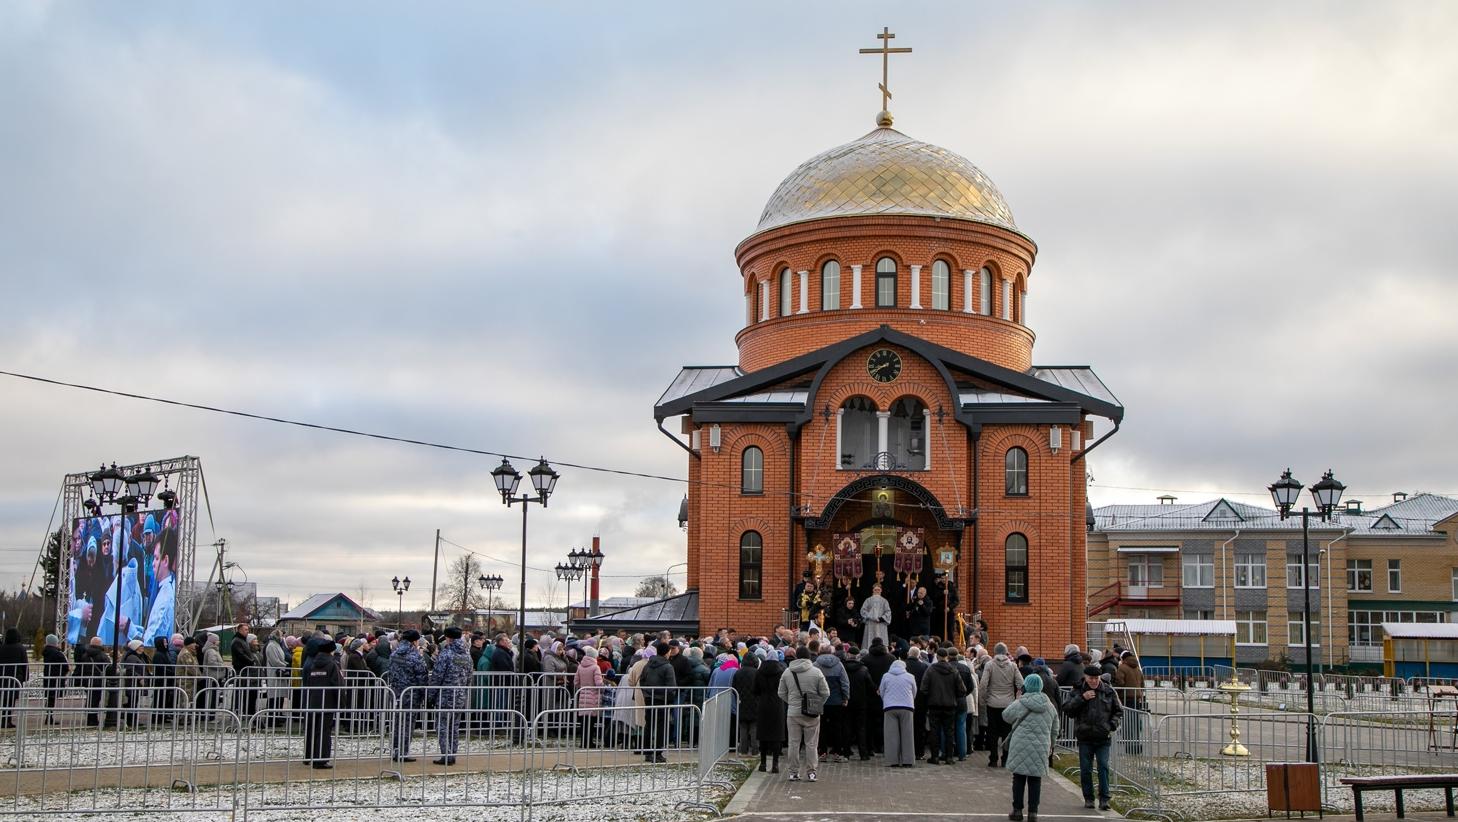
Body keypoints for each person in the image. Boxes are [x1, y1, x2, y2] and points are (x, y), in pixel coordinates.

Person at [1062, 665, 1123, 811]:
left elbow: (1118, 711)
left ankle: (1104, 799)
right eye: (1091, 678)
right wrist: (1082, 698)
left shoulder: (1108, 691)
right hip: (1085, 736)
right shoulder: (1077, 690)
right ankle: (1089, 798)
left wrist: (1111, 725)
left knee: (1103, 766)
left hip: (1103, 736)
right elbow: (1067, 709)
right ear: (1085, 677)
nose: (1094, 681)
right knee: (1085, 769)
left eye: (1097, 678)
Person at [1004, 673, 1058, 822]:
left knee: (1019, 778)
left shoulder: (1021, 702)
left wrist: (1017, 698)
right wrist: (1051, 744)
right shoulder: (1049, 706)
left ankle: (1017, 810)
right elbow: (1055, 728)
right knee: (1035, 779)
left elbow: (1006, 716)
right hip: (1041, 746)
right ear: (1041, 686)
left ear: (1026, 686)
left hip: (1020, 745)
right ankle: (1033, 812)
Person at [777, 646, 829, 783]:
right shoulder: (816, 672)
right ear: (809, 657)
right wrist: (817, 704)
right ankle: (812, 772)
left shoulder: (787, 672)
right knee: (811, 744)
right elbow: (826, 692)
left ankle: (793, 772)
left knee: (793, 743)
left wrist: (792, 702)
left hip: (793, 713)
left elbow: (781, 693)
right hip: (812, 714)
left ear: (796, 656)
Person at [428, 626, 472, 765]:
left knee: (442, 726)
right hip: (460, 696)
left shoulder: (446, 654)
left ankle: (446, 755)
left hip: (446, 695)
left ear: (448, 638)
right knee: (454, 726)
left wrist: (430, 696)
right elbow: (470, 677)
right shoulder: (466, 655)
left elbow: (437, 677)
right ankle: (452, 753)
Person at [920, 646, 967, 765]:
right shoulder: (953, 671)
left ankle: (935, 757)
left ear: (937, 656)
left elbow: (923, 689)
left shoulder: (930, 670)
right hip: (950, 705)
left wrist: (931, 696)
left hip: (934, 705)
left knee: (934, 731)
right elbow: (962, 690)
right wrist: (953, 695)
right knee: (949, 732)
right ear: (947, 657)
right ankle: (949, 757)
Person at [302, 639, 344, 769]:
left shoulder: (313, 664)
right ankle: (321, 759)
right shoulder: (332, 665)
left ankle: (310, 756)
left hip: (313, 701)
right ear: (331, 651)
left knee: (313, 730)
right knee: (324, 731)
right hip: (328, 702)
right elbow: (338, 684)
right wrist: (342, 703)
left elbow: (308, 682)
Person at [387, 629, 427, 762]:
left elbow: (391, 672)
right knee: (407, 724)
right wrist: (424, 694)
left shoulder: (394, 654)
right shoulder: (415, 657)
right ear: (415, 641)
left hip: (396, 692)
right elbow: (422, 678)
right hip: (411, 695)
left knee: (397, 723)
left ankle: (396, 750)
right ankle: (403, 752)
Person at [980, 642, 1022, 768]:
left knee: (992, 732)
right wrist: (1017, 699)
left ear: (994, 652)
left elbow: (983, 684)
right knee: (1007, 732)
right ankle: (1005, 758)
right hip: (1008, 704)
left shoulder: (989, 665)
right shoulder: (1013, 666)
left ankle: (993, 759)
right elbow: (1021, 684)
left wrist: (983, 700)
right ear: (1006, 652)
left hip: (992, 704)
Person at [639, 641, 676, 762]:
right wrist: (669, 698)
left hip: (650, 698)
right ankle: (658, 753)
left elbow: (642, 681)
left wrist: (647, 693)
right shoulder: (667, 666)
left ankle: (648, 753)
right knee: (661, 726)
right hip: (662, 700)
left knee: (649, 725)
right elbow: (671, 686)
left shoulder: (648, 664)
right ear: (667, 652)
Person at [878, 657, 918, 768]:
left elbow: (882, 691)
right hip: (907, 707)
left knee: (891, 735)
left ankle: (892, 761)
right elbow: (914, 691)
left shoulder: (886, 676)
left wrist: (886, 700)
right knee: (908, 734)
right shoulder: (910, 676)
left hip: (890, 707)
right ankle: (908, 760)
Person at [813, 643, 849, 762]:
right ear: (831, 652)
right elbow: (844, 683)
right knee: (837, 727)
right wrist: (845, 697)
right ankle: (837, 753)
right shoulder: (839, 665)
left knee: (821, 727)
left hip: (820, 701)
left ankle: (822, 752)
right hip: (836, 701)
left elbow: (812, 683)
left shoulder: (816, 665)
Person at [753, 650, 787, 773]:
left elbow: (755, 690)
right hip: (777, 704)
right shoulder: (781, 672)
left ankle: (762, 763)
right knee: (776, 734)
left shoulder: (759, 672)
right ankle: (775, 764)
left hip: (763, 703)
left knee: (763, 733)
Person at [1113, 651, 1145, 753]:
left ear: (1123, 659)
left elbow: (1120, 683)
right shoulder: (1137, 668)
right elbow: (1142, 684)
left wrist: (1116, 693)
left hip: (1126, 698)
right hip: (1137, 697)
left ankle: (1130, 746)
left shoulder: (1122, 668)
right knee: (1135, 722)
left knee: (1128, 722)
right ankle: (1136, 744)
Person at [575, 645, 606, 747]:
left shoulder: (580, 666)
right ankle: (589, 742)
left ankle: (583, 742)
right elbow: (598, 683)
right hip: (593, 696)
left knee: (583, 721)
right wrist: (603, 687)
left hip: (583, 695)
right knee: (591, 721)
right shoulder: (595, 667)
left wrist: (583, 687)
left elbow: (576, 682)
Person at [731, 653, 760, 756]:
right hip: (755, 703)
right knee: (754, 727)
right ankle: (755, 750)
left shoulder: (738, 673)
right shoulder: (757, 673)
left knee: (743, 727)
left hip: (741, 702)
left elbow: (733, 688)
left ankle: (743, 750)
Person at [81, 636, 112, 727]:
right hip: (98, 681)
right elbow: (108, 668)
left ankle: (90, 719)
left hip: (87, 680)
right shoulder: (102, 655)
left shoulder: (85, 655)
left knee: (90, 699)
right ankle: (93, 720)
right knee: (95, 700)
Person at [0, 628, 28, 728]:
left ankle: (4, 720)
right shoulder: (20, 648)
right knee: (11, 700)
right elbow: (25, 663)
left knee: (3, 700)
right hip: (15, 678)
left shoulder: (2, 647)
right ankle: (7, 720)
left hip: (3, 677)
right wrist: (26, 676)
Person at [230, 623, 259, 717]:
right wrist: (251, 661)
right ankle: (236, 711)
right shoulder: (237, 641)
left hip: (245, 670)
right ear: (240, 630)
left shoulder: (242, 640)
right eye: (245, 629)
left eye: (247, 630)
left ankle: (242, 711)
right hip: (241, 669)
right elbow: (241, 654)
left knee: (244, 692)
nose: (247, 631)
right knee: (239, 691)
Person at [120, 639, 148, 727]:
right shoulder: (132, 657)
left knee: (134, 703)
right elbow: (130, 669)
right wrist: (139, 677)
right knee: (132, 703)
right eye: (141, 646)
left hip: (136, 683)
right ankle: (131, 721)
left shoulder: (139, 657)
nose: (143, 648)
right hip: (132, 683)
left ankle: (133, 720)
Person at [42, 634, 69, 725]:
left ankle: (48, 717)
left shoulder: (46, 652)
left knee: (50, 698)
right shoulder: (57, 653)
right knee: (52, 698)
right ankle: (49, 718)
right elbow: (65, 666)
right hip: (56, 678)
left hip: (48, 677)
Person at [859, 585, 892, 651]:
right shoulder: (868, 600)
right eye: (875, 590)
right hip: (870, 624)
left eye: (878, 590)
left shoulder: (884, 601)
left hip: (881, 624)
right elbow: (863, 610)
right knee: (869, 641)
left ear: (881, 591)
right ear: (873, 590)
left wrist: (881, 619)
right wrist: (871, 616)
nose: (877, 591)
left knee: (881, 639)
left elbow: (888, 612)